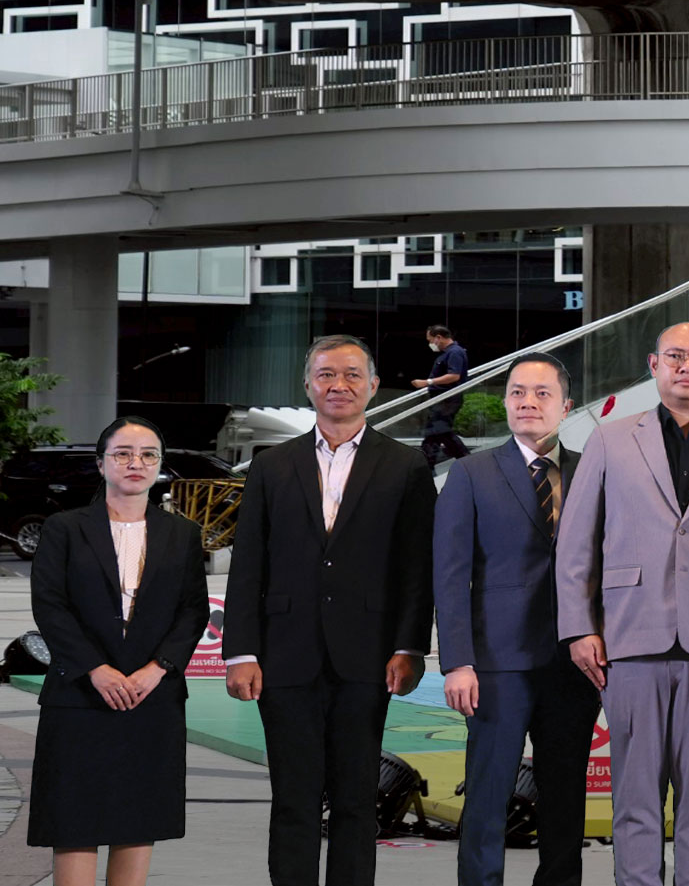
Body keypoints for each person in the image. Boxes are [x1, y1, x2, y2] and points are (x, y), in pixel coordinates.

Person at [557, 323, 689, 886]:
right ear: (654, 365)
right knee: (635, 795)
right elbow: (577, 542)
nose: (687, 366)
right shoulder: (609, 439)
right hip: (628, 638)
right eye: (675, 356)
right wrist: (579, 627)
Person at [226, 335, 437, 886]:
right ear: (307, 385)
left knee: (356, 799)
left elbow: (417, 567)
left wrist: (410, 646)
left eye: (351, 375)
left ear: (373, 385)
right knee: (293, 798)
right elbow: (248, 564)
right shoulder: (271, 465)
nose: (338, 385)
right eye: (325, 375)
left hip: (368, 656)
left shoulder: (406, 465)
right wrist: (240, 652)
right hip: (283, 655)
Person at [434, 353, 602, 886]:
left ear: (566, 406)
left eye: (542, 393)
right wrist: (458, 661)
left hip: (574, 663)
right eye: (517, 392)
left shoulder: (594, 470)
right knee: (488, 794)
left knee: (565, 795)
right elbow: (450, 575)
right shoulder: (470, 473)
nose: (528, 402)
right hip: (495, 664)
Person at [29, 416, 210, 886]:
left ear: (159, 465)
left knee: (138, 818)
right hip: (80, 695)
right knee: (74, 820)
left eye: (148, 455)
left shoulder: (182, 533)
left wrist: (159, 668)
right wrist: (94, 668)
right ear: (101, 463)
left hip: (151, 697)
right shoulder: (65, 528)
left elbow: (193, 610)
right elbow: (50, 605)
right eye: (123, 453)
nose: (136, 463)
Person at [411, 322, 473, 465]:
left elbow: (454, 376)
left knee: (438, 431)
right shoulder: (448, 353)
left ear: (438, 337)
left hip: (448, 399)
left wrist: (428, 382)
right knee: (436, 433)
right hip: (442, 399)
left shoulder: (455, 352)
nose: (430, 344)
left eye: (430, 340)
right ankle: (427, 466)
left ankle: (467, 462)